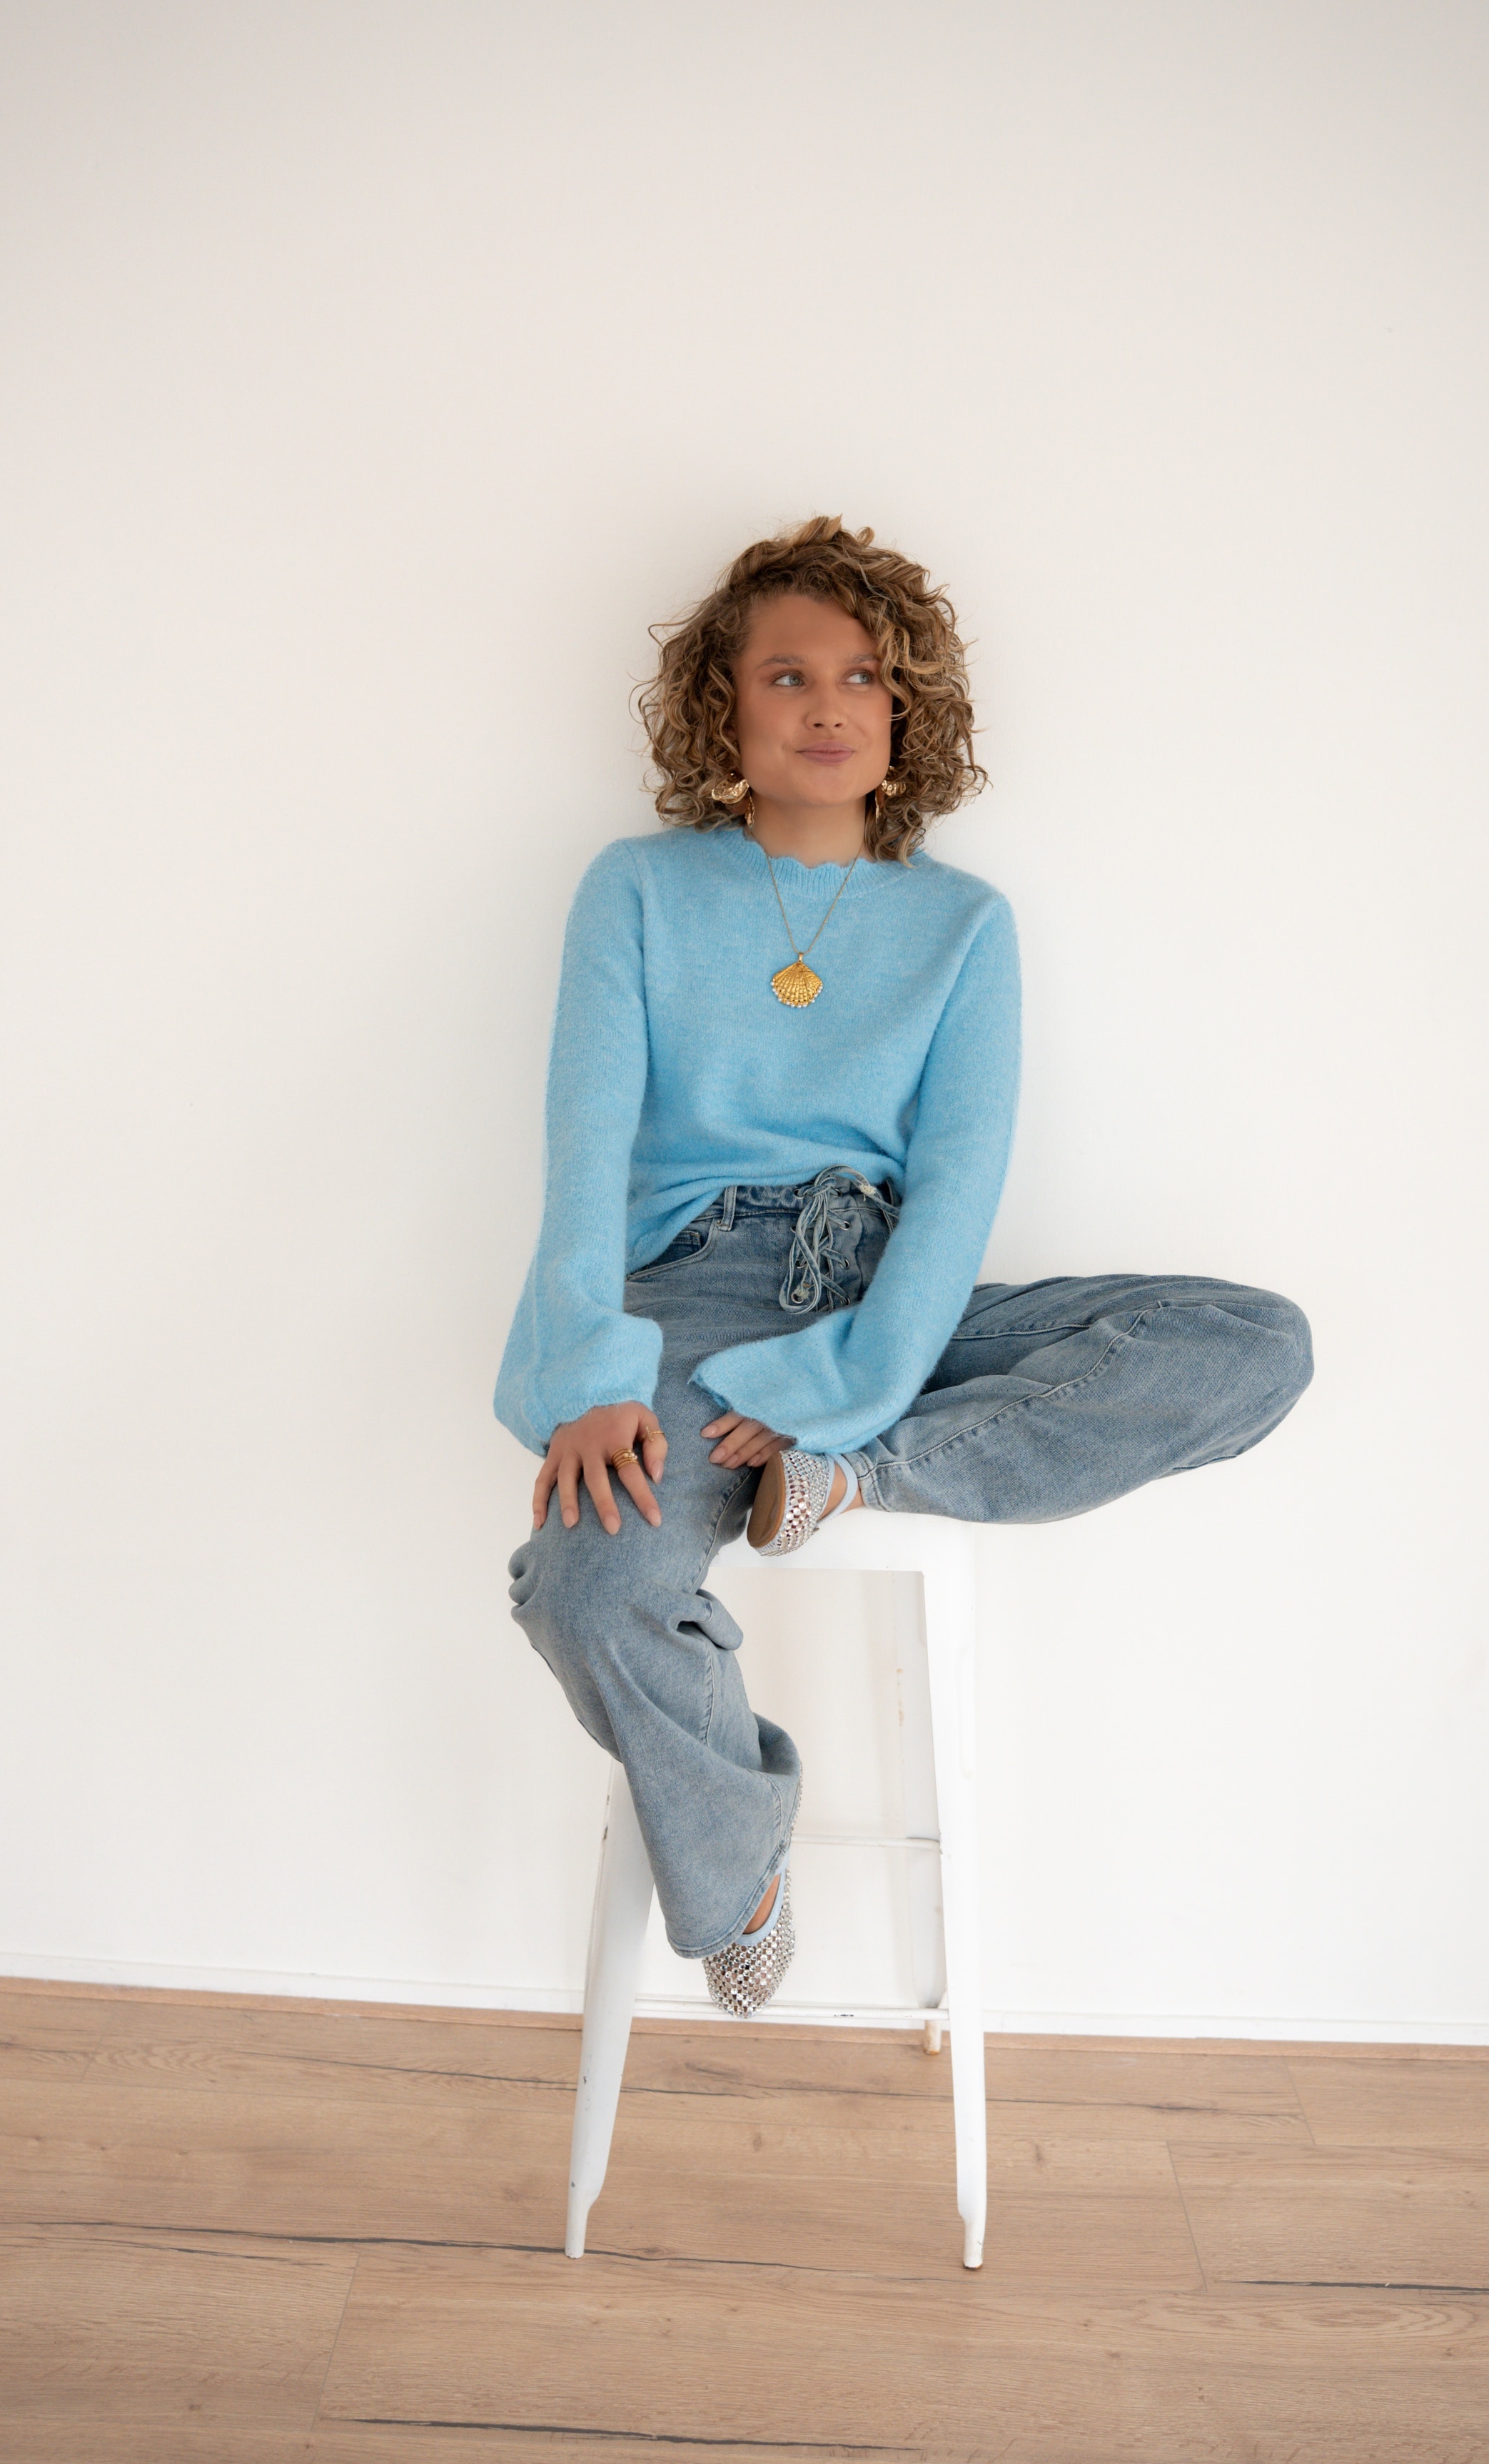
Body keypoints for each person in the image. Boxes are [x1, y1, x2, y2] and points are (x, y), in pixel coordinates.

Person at [497, 517, 1312, 2018]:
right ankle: (738, 1851)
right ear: (723, 708)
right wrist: (593, 1371)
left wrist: (850, 1397)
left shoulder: (963, 925)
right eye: (787, 675)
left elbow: (954, 1194)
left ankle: (861, 1475)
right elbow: (582, 1149)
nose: (827, 706)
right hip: (691, 1300)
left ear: (904, 709)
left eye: (863, 676)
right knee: (582, 1584)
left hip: (893, 1303)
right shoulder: (638, 890)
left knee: (1258, 1341)